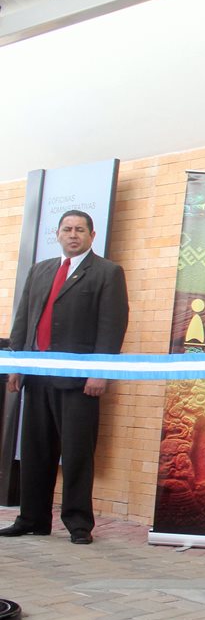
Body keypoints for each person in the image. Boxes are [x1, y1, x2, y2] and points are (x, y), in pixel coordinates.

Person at [1, 210, 129, 545]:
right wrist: (18, 364)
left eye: (80, 230)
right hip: (38, 376)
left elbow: (112, 326)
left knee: (76, 453)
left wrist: (99, 372)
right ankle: (32, 518)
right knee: (35, 450)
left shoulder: (107, 272)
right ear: (57, 234)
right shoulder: (41, 270)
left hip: (78, 382)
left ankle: (78, 523)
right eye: (67, 229)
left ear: (91, 235)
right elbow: (24, 319)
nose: (73, 235)